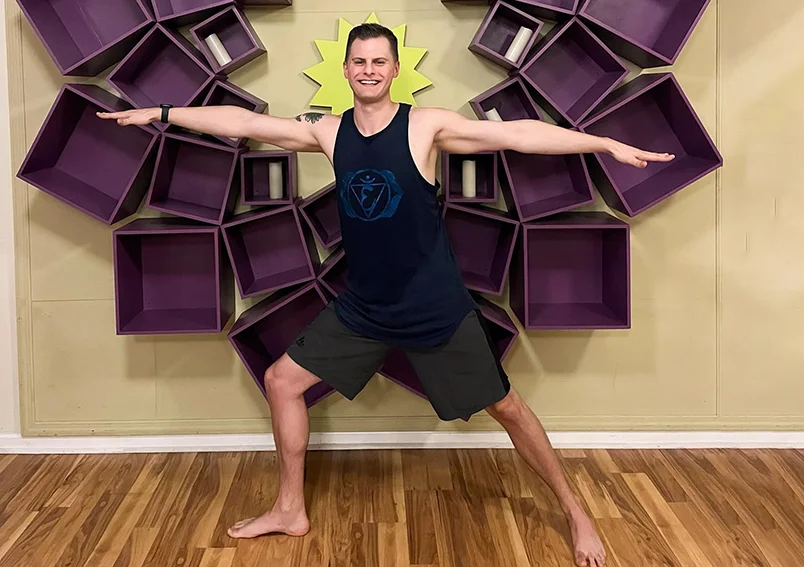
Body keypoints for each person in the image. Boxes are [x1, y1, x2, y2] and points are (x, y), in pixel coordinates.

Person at [98, 22, 673, 567]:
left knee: (508, 408)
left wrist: (602, 142)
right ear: (345, 71)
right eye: (359, 62)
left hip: (435, 308)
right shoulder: (328, 131)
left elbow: (516, 134)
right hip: (363, 308)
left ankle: (575, 512)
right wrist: (164, 111)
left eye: (379, 61)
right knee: (281, 381)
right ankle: (289, 510)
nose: (368, 70)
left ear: (394, 70)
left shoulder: (427, 126)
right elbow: (244, 124)